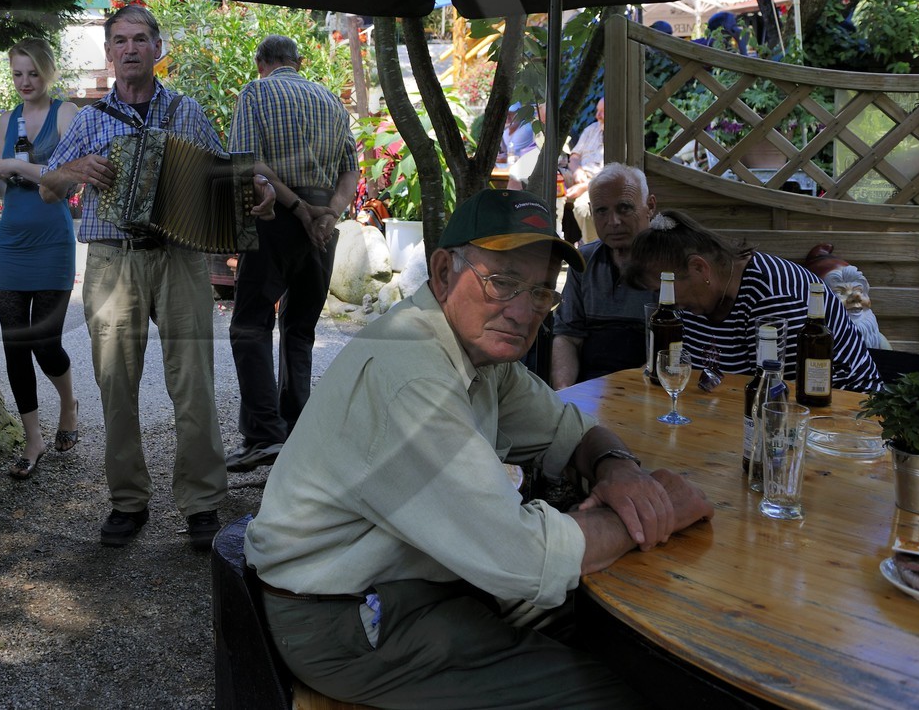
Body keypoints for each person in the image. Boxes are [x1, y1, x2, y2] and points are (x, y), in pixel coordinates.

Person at [245, 188, 713, 708]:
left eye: (540, 292)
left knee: (623, 642)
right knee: (613, 695)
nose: (523, 311)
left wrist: (617, 469)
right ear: (444, 273)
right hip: (352, 619)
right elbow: (522, 557)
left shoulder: (476, 352)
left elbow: (570, 429)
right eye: (503, 282)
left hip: (419, 584)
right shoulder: (413, 377)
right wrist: (657, 509)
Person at [38, 3, 274, 550]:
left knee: (193, 383)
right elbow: (49, 187)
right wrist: (75, 171)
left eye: (140, 39)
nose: (129, 49)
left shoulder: (186, 111)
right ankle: (128, 501)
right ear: (109, 53)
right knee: (115, 384)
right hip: (112, 260)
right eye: (119, 40)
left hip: (180, 258)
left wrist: (256, 187)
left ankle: (202, 503)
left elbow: (223, 174)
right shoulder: (91, 119)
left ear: (156, 48)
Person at [224, 34, 358, 473]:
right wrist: (328, 217)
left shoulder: (256, 92)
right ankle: (297, 430)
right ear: (297, 62)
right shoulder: (331, 102)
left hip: (276, 218)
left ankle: (264, 436)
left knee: (249, 324)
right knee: (299, 330)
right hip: (322, 226)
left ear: (261, 61)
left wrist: (298, 208)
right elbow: (350, 172)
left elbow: (247, 161)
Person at [0, 38, 81, 480]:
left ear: (47, 73)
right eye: (17, 74)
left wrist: (15, 165)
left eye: (33, 73)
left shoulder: (66, 114)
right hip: (11, 241)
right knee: (15, 346)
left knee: (45, 342)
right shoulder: (6, 119)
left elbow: (68, 180)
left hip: (52, 241)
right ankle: (32, 441)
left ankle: (68, 403)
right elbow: (6, 188)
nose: (25, 82)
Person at [624, 208, 882, 392]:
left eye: (663, 289)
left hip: (845, 423)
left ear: (699, 268)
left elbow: (781, 399)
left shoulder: (773, 299)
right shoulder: (693, 299)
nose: (662, 301)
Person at [550, 164, 658, 389]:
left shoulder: (670, 265)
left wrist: (626, 396)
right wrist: (565, 395)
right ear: (591, 211)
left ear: (650, 207)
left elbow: (670, 350)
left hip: (648, 391)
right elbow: (568, 337)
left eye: (624, 208)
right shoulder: (583, 261)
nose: (613, 221)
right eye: (601, 211)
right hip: (591, 393)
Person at [560, 97, 605, 243]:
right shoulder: (591, 129)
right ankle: (555, 238)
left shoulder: (619, 137)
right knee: (551, 183)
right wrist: (577, 170)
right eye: (598, 111)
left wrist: (584, 186)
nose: (597, 116)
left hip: (600, 182)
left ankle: (590, 249)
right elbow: (574, 157)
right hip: (579, 175)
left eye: (603, 112)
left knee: (583, 208)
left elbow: (611, 174)